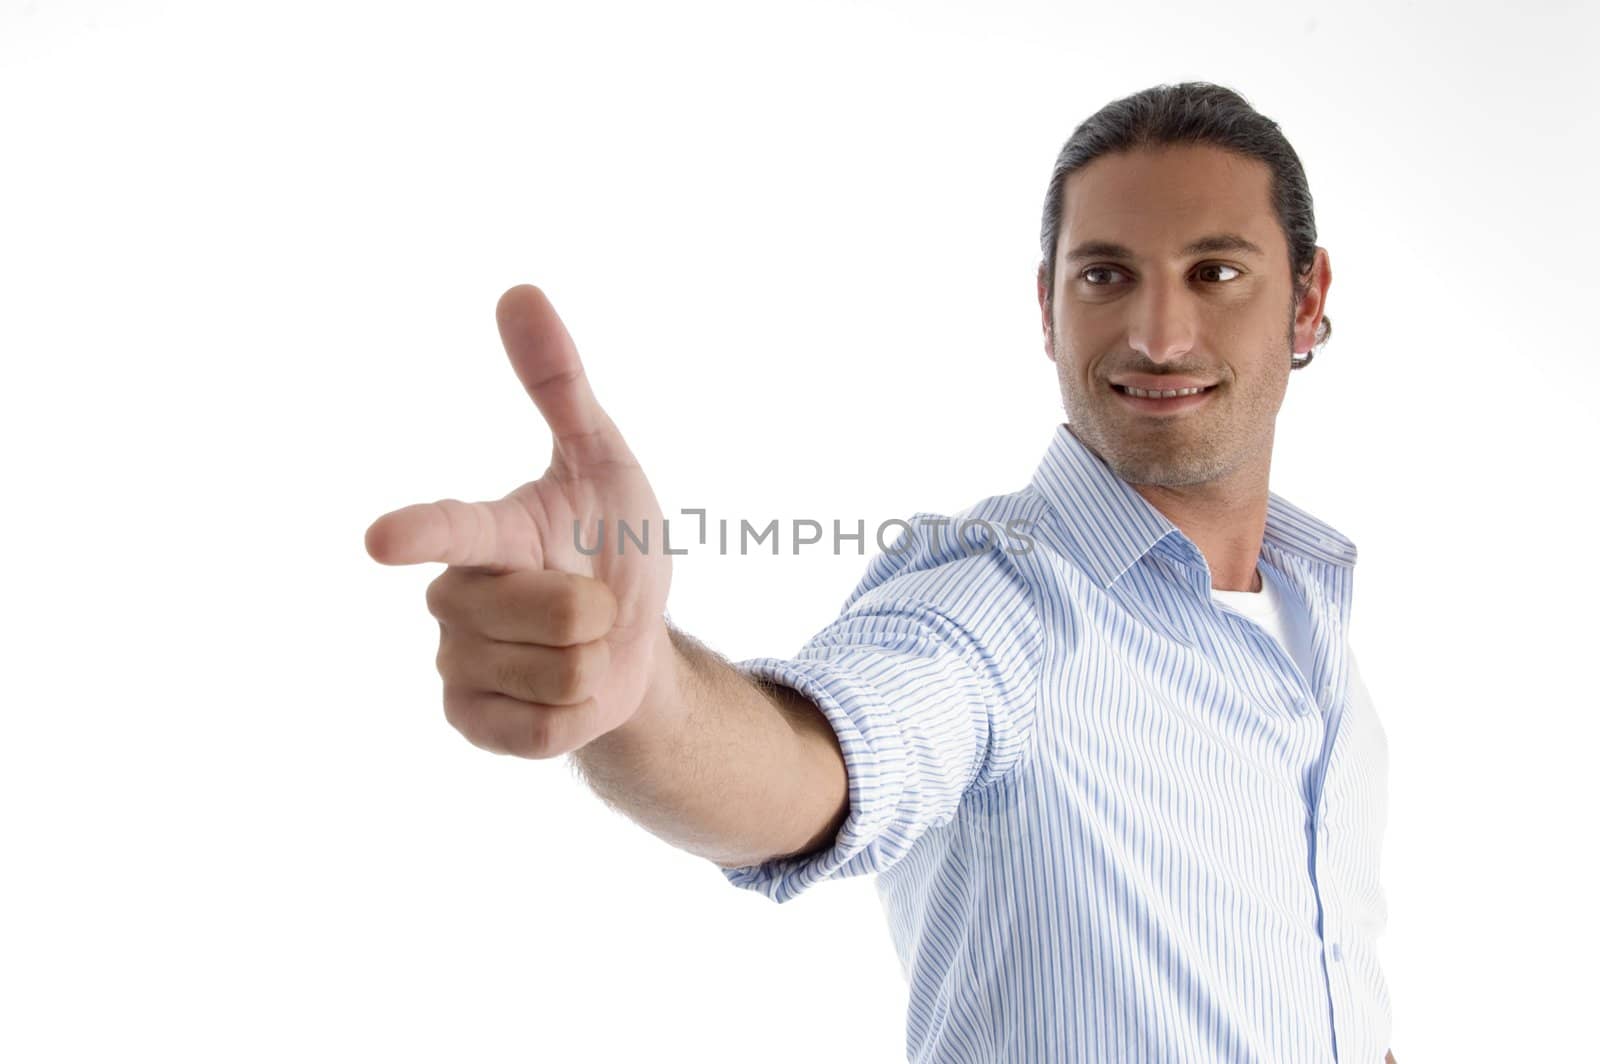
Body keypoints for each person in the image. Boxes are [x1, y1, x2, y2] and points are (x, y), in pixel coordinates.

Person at [364, 82, 1398, 1064]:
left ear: (1307, 302)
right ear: (1047, 306)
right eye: (1104, 274)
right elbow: (819, 761)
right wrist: (641, 691)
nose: (1156, 335)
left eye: (1214, 272)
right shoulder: (996, 601)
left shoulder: (1311, 615)